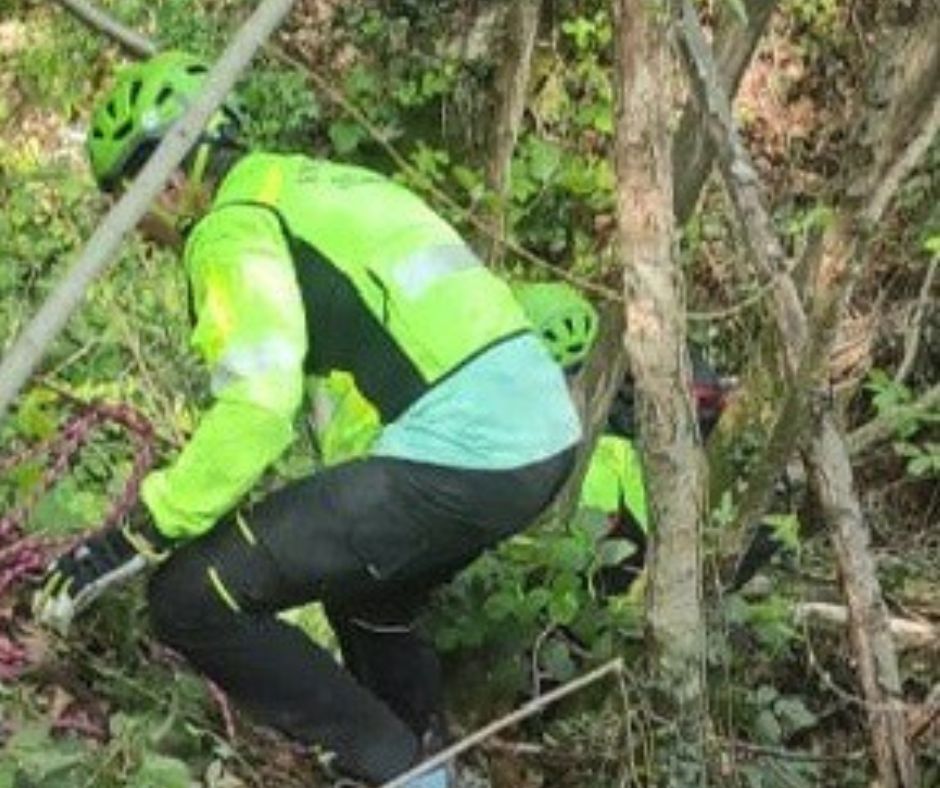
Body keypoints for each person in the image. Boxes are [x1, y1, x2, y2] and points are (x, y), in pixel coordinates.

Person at [33, 51, 580, 788]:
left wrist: (137, 532)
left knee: (192, 598)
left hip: (470, 447)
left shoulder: (231, 225)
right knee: (368, 596)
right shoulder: (311, 183)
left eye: (125, 197)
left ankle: (403, 776)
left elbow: (260, 404)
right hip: (542, 438)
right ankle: (433, 763)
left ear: (167, 181)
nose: (130, 226)